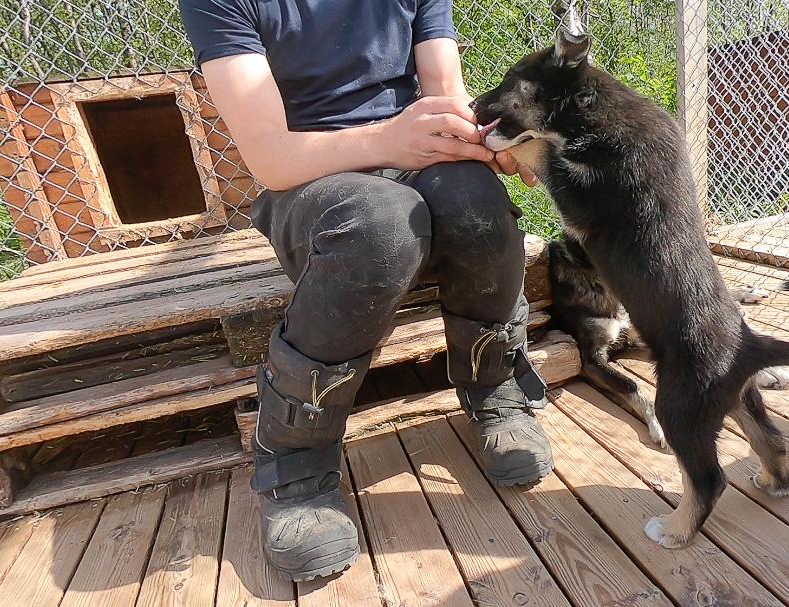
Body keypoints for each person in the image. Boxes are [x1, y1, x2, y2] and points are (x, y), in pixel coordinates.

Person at [179, 0, 554, 582]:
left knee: (476, 199)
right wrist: (389, 140)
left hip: (412, 155)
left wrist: (488, 143)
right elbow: (272, 159)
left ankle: (494, 384)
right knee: (379, 222)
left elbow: (445, 92)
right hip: (310, 183)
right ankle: (296, 457)